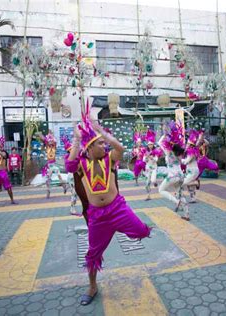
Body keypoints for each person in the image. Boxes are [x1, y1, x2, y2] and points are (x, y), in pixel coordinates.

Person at [65, 102, 151, 305]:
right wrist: (77, 139)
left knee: (142, 231)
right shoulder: (82, 165)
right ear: (90, 147)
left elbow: (120, 147)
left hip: (117, 209)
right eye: (101, 144)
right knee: (93, 254)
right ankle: (92, 286)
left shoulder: (110, 159)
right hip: (97, 216)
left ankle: (120, 228)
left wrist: (100, 130)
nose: (105, 146)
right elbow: (69, 165)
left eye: (104, 143)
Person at [158, 121, 189, 220]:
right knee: (179, 193)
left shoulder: (168, 151)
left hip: (172, 176)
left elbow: (159, 142)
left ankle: (176, 202)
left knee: (161, 190)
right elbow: (183, 161)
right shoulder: (179, 153)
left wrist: (165, 134)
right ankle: (186, 214)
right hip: (180, 176)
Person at [181, 129, 204, 209]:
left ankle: (196, 183)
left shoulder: (192, 152)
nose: (186, 145)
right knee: (190, 186)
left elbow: (186, 161)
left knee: (183, 183)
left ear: (190, 145)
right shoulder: (190, 151)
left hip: (193, 171)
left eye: (188, 144)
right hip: (190, 170)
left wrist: (179, 160)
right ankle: (193, 198)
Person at [42, 131, 67, 199]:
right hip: (49, 166)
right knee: (48, 179)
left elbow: (54, 142)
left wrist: (51, 135)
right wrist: (42, 135)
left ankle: (64, 186)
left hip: (54, 165)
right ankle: (48, 191)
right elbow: (45, 140)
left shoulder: (54, 147)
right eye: (49, 142)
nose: (50, 142)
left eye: (51, 142)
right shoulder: (47, 148)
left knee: (59, 177)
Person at [60, 134, 79, 216]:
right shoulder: (69, 157)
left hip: (74, 176)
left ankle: (66, 186)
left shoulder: (73, 155)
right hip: (72, 177)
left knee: (75, 192)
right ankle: (72, 209)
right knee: (74, 193)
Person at [143, 130, 162, 201]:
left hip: (154, 168)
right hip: (148, 168)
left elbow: (156, 160)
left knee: (153, 180)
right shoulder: (146, 151)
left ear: (153, 145)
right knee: (147, 183)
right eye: (148, 145)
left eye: (151, 144)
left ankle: (155, 183)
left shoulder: (156, 151)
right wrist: (146, 158)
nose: (150, 146)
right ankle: (148, 195)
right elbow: (143, 160)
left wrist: (152, 157)